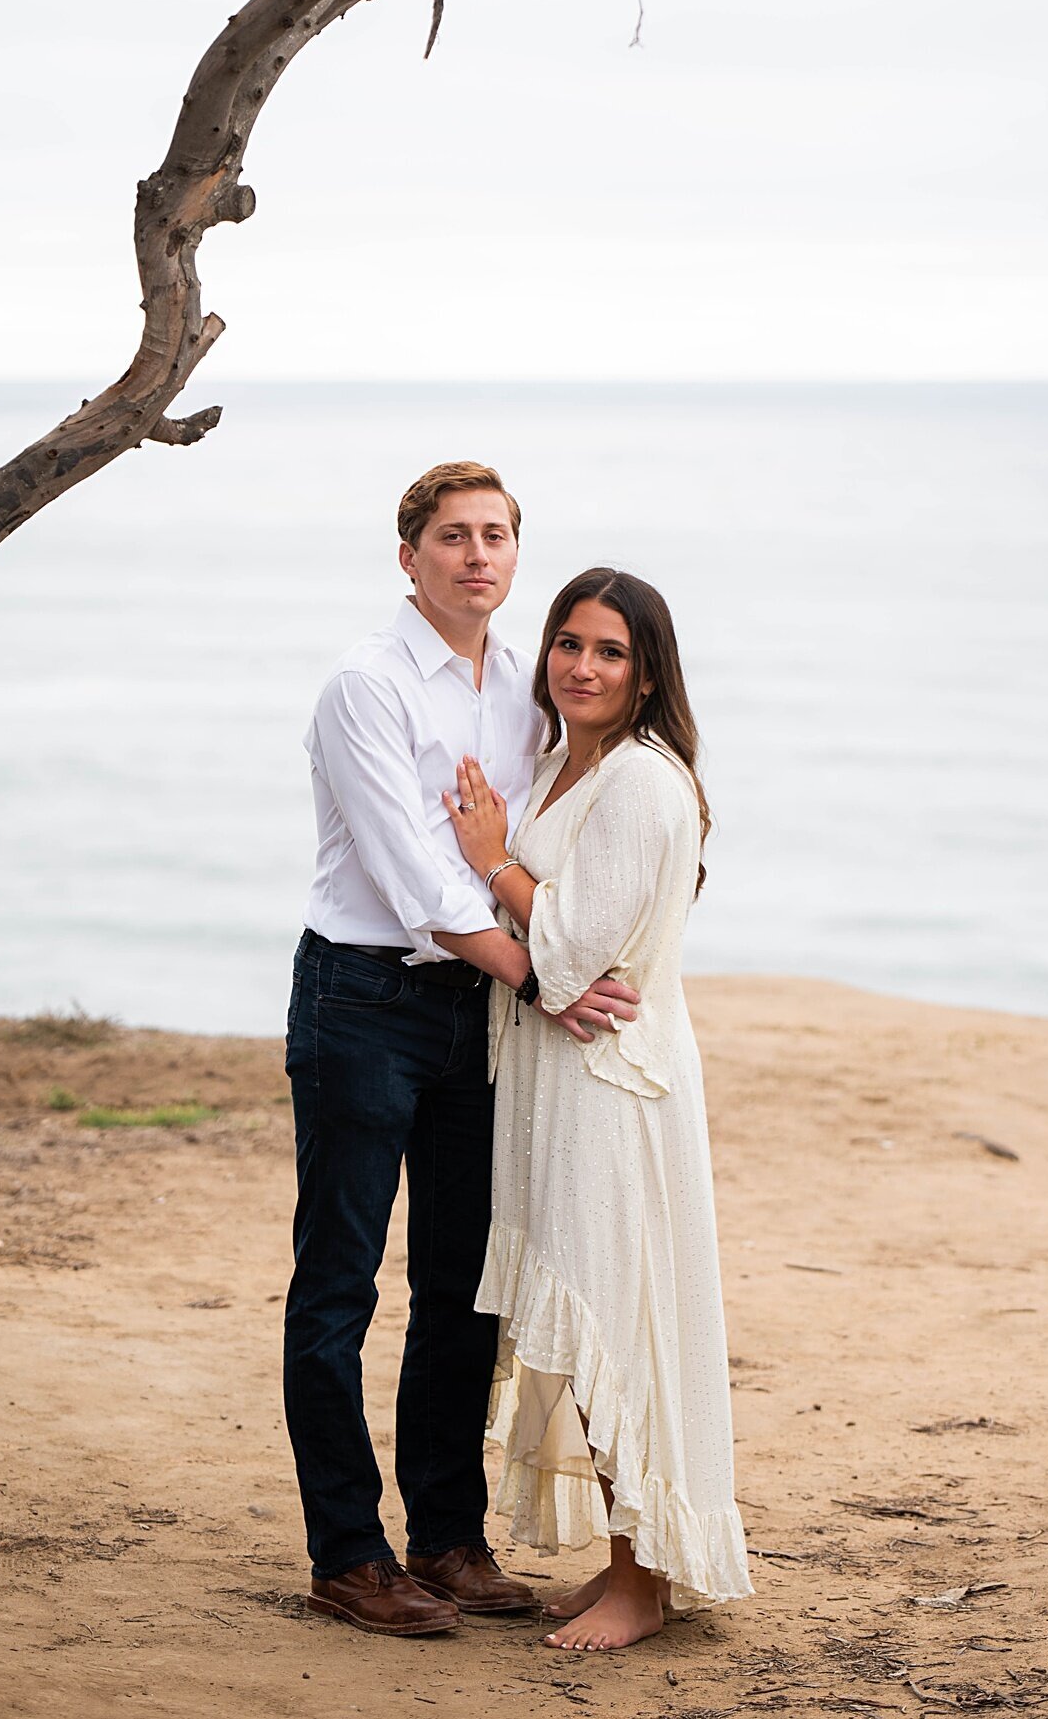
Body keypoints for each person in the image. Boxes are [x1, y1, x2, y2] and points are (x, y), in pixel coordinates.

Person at [283, 466, 640, 1638]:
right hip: (362, 999)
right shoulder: (364, 687)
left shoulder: (527, 696)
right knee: (337, 1285)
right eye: (451, 537)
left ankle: (445, 1540)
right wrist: (544, 978)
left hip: (473, 1017)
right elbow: (418, 880)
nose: (475, 556)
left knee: (460, 1288)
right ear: (409, 557)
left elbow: (544, 834)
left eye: (494, 536)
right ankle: (348, 1553)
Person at [443, 566, 753, 1651]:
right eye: (568, 644)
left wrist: (494, 865)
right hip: (550, 1078)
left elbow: (570, 956)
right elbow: (547, 952)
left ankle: (642, 1580)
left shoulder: (643, 784)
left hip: (613, 1087)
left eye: (608, 652)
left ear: (646, 672)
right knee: (578, 1327)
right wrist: (505, 879)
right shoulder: (551, 768)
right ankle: (630, 1566)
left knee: (616, 1323)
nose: (580, 666)